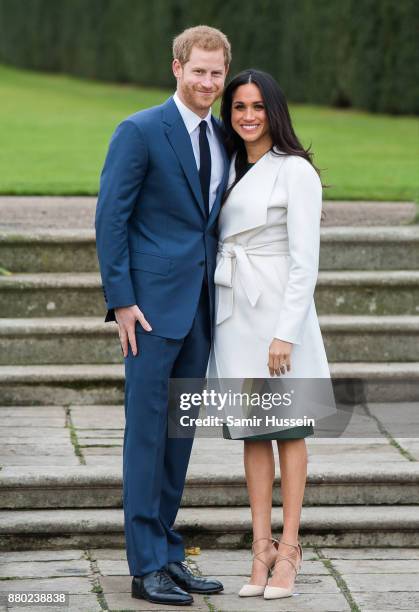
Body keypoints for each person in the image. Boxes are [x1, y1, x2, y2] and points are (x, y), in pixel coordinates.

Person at [95, 25, 230, 607]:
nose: (207, 82)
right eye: (198, 70)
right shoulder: (141, 130)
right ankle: (144, 564)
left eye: (216, 73)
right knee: (147, 435)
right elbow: (110, 219)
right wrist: (121, 299)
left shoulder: (223, 136)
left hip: (202, 309)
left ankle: (169, 553)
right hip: (148, 313)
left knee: (179, 436)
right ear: (176, 67)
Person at [211, 69, 331, 600]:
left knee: (289, 429)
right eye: (238, 107)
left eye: (258, 106)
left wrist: (286, 333)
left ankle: (289, 551)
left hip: (280, 313)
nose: (248, 116)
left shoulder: (296, 171)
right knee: (252, 432)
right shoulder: (227, 163)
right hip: (236, 311)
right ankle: (259, 551)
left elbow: (306, 263)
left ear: (274, 110)